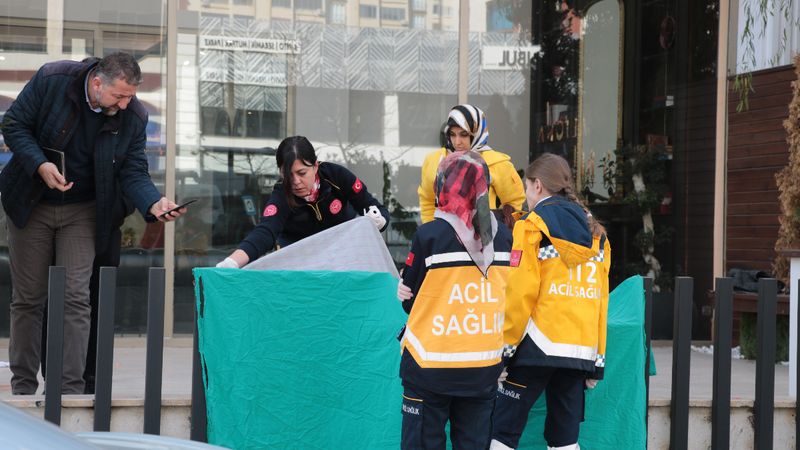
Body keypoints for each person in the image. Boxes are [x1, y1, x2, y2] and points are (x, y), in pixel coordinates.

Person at [0, 52, 185, 395]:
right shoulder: (52, 79)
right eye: (119, 95)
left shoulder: (135, 117)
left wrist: (153, 202)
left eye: (130, 96)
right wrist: (40, 164)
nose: (126, 104)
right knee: (29, 298)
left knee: (76, 297)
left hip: (83, 210)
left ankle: (68, 391)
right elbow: (14, 125)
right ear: (97, 83)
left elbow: (133, 171)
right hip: (32, 201)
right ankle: (24, 386)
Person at [489, 153, 611, 450]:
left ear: (538, 186)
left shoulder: (531, 226)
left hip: (536, 347)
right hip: (579, 351)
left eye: (526, 187)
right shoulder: (598, 236)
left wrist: (504, 351)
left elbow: (520, 293)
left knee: (502, 432)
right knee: (565, 440)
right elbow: (600, 301)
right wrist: (597, 362)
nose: (525, 196)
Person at [397, 151, 513, 449]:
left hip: (429, 366)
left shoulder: (430, 236)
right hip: (482, 368)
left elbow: (410, 302)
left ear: (442, 185)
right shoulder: (504, 239)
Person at [217, 135, 389, 268]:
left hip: (342, 260)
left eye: (302, 173)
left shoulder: (336, 176)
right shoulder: (281, 194)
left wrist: (379, 221)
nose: (295, 182)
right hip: (299, 267)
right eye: (288, 174)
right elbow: (265, 232)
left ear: (315, 166)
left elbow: (372, 206)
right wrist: (232, 262)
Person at [417, 104, 525, 224]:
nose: (457, 142)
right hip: (444, 237)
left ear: (476, 133)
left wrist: (499, 233)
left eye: (464, 134)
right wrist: (430, 230)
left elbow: (514, 203)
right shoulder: (434, 160)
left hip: (483, 239)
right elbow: (427, 200)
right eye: (452, 134)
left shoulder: (497, 163)